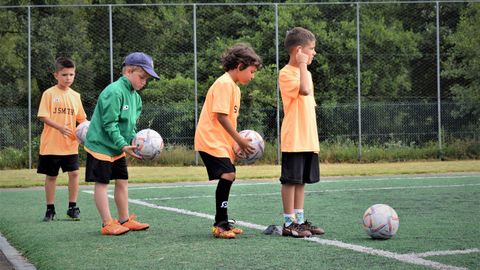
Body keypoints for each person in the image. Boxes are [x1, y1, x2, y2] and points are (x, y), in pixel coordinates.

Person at [84, 52, 159, 235]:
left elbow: (129, 126)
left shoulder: (136, 98)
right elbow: (110, 124)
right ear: (128, 71)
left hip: (117, 147)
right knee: (102, 183)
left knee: (122, 181)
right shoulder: (114, 92)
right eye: (142, 77)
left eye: (147, 79)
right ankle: (107, 223)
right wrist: (122, 144)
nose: (144, 82)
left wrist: (134, 142)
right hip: (101, 146)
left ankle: (125, 220)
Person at [194, 43, 262, 239]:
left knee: (229, 174)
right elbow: (222, 117)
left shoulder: (234, 88)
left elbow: (228, 120)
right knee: (229, 174)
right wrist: (240, 140)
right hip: (210, 139)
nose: (252, 76)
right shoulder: (224, 84)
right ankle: (220, 224)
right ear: (240, 66)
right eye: (251, 71)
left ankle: (222, 221)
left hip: (219, 141)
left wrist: (234, 145)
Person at [278, 27, 325, 238]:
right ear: (299, 50)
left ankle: (300, 220)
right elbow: (304, 90)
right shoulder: (287, 73)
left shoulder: (306, 74)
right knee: (290, 180)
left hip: (307, 138)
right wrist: (303, 64)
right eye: (311, 49)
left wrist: (305, 67)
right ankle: (289, 223)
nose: (314, 53)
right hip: (294, 137)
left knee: (301, 180)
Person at [37, 57, 87, 222]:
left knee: (74, 173)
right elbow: (43, 116)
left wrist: (87, 132)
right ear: (56, 75)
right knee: (51, 176)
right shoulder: (49, 94)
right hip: (51, 145)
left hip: (70, 144)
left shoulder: (75, 96)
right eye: (64, 74)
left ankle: (72, 207)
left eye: (71, 74)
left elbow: (82, 120)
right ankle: (50, 209)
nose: (68, 78)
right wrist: (59, 127)